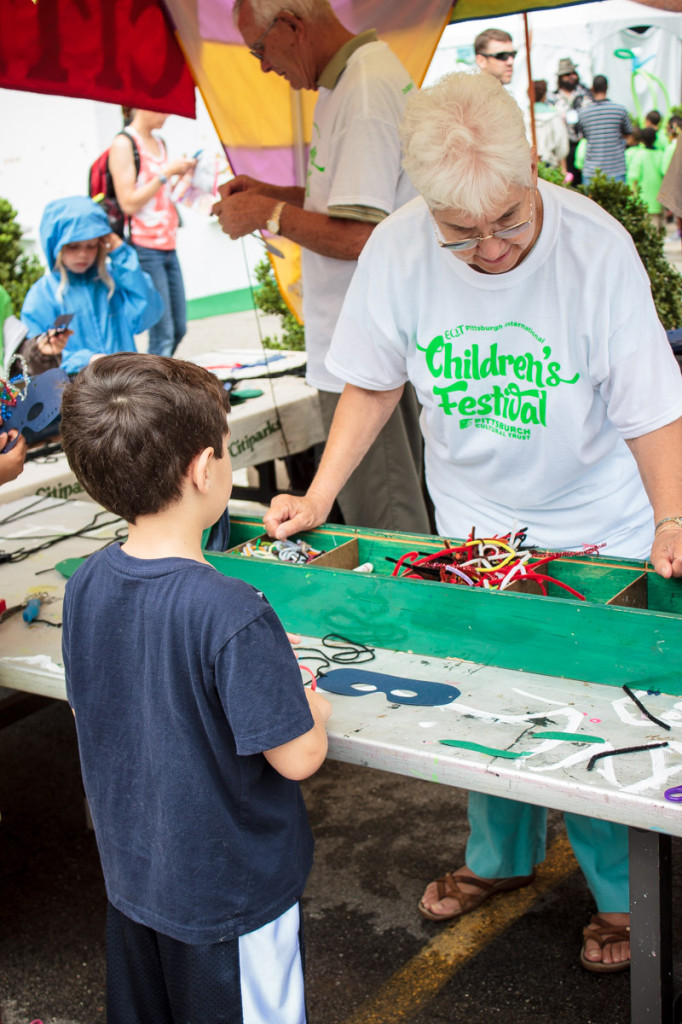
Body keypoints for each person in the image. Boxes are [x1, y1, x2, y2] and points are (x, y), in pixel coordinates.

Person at [262, 71, 682, 972]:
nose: (492, 249)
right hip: (478, 517)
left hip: (597, 518)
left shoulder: (596, 248)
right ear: (426, 205)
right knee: (488, 693)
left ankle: (620, 898)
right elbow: (374, 379)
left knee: (592, 710)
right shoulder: (399, 250)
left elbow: (652, 408)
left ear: (533, 174)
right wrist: (324, 494)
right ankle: (502, 861)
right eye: (465, 234)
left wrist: (672, 516)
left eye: (510, 223)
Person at [60, 352, 332, 1024]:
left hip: (135, 877)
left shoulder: (87, 581)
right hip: (228, 899)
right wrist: (310, 699)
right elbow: (298, 756)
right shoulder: (232, 609)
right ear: (205, 469)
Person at [212, 0, 430, 535]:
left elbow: (362, 236)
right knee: (386, 500)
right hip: (365, 341)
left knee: (385, 516)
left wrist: (268, 212)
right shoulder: (349, 81)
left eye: (261, 49)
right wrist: (271, 194)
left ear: (291, 26)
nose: (264, 66)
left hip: (368, 347)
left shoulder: (363, 89)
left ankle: (394, 615)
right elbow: (346, 202)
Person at [20, 197, 163, 375]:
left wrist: (121, 253)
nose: (83, 254)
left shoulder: (113, 280)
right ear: (55, 246)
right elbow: (37, 355)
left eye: (92, 245)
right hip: (79, 390)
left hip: (126, 380)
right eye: (73, 246)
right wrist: (86, 360)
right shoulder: (42, 294)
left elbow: (147, 313)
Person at [108, 109, 197, 357]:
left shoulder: (160, 142)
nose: (167, 113)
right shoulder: (124, 143)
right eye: (160, 107)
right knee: (163, 333)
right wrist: (166, 172)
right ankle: (153, 393)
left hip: (168, 243)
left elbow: (161, 193)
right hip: (144, 246)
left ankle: (157, 387)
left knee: (178, 328)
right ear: (138, 105)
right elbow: (128, 203)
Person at [577, 75, 632, 187]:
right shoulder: (620, 110)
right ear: (607, 88)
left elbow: (584, 136)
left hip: (592, 171)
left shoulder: (584, 113)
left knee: (589, 204)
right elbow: (629, 135)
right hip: (616, 168)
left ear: (592, 88)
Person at [549, 58, 592, 185]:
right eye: (568, 74)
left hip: (583, 142)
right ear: (561, 77)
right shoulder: (553, 97)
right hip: (564, 143)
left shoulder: (584, 93)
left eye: (573, 73)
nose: (572, 77)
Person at [627, 127, 665, 232]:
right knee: (657, 230)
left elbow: (633, 178)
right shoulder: (661, 154)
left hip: (642, 201)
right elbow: (664, 172)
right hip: (659, 199)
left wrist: (632, 197)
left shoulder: (639, 155)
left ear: (641, 140)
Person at [529, 79, 569, 174]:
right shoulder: (554, 116)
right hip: (550, 166)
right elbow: (561, 145)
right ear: (544, 95)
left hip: (530, 167)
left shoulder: (525, 115)